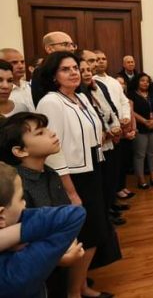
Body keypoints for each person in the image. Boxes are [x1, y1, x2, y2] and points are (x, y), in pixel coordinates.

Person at [35, 51, 116, 298]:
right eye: (65, 69)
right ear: (53, 75)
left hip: (93, 169)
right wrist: (70, 190)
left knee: (94, 235)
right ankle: (74, 293)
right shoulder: (51, 102)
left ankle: (81, 287)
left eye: (75, 68)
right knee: (86, 236)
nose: (73, 72)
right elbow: (54, 151)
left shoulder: (80, 97)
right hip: (72, 177)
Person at [0, 112, 87, 297]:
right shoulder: (16, 185)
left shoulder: (50, 174)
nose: (52, 134)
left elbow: (63, 213)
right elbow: (17, 242)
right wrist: (59, 257)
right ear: (20, 150)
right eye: (40, 133)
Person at [93, 50, 135, 201]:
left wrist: (125, 117)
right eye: (97, 59)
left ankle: (120, 189)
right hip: (107, 132)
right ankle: (111, 198)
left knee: (119, 163)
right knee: (108, 169)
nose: (101, 62)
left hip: (120, 127)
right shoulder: (92, 81)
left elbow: (124, 101)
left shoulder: (113, 81)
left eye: (103, 58)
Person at [128, 72, 153, 189]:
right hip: (140, 128)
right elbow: (131, 111)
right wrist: (145, 121)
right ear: (137, 82)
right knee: (140, 155)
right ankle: (141, 179)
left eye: (147, 81)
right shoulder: (132, 94)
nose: (145, 83)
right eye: (142, 80)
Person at [31, 31, 78, 106]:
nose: (72, 48)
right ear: (49, 49)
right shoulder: (41, 71)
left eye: (73, 45)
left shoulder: (76, 67)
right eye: (66, 44)